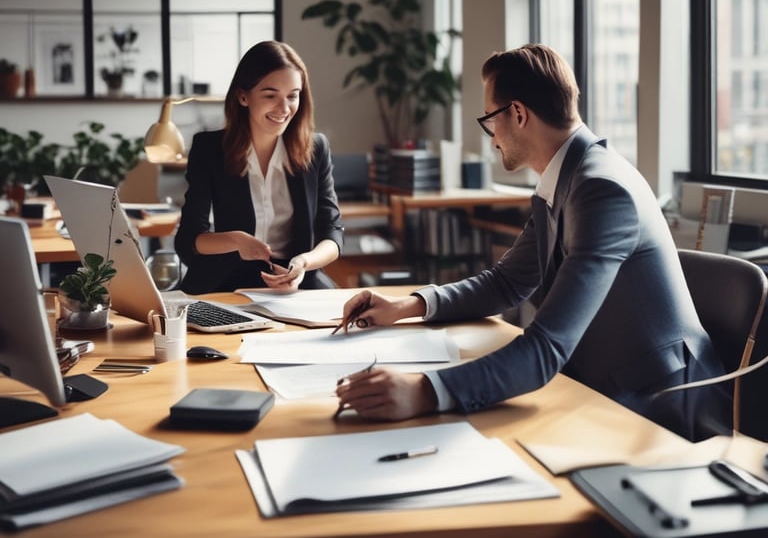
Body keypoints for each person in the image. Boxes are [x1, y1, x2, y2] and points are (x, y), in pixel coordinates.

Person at [335, 43, 731, 442]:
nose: (492, 140)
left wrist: (424, 390)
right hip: (601, 386)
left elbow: (547, 349)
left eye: (491, 120)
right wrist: (407, 305)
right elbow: (507, 283)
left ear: (519, 114)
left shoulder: (602, 190)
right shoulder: (568, 177)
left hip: (662, 409)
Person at [175, 40, 344, 294]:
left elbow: (332, 233)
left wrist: (303, 262)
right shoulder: (209, 149)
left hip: (296, 281)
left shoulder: (316, 148)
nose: (284, 108)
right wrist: (236, 240)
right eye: (270, 95)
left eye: (292, 96)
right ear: (243, 96)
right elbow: (189, 240)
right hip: (225, 280)